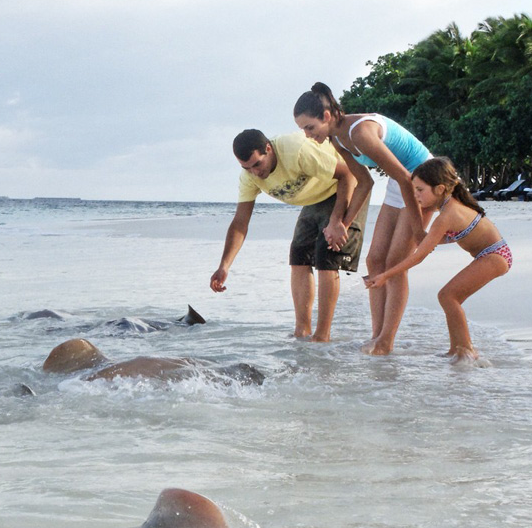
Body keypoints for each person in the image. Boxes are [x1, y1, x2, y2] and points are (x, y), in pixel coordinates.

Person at [293, 83, 432, 356]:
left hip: (424, 180)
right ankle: (377, 336)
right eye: (303, 130)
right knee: (374, 260)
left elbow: (407, 177)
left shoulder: (361, 132)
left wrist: (418, 230)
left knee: (395, 263)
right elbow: (364, 182)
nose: (308, 135)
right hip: (399, 183)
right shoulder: (337, 139)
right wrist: (342, 223)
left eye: (310, 128)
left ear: (327, 116)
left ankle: (386, 341)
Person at [210, 129, 363, 342]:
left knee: (326, 255)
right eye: (246, 168)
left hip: (345, 186)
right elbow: (239, 223)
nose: (254, 172)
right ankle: (302, 331)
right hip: (314, 197)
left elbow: (348, 174)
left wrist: (337, 221)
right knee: (298, 255)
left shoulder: (296, 150)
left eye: (257, 164)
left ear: (269, 149)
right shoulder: (249, 177)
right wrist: (224, 265)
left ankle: (322, 335)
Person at [364, 157, 511, 362]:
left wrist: (384, 276)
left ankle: (466, 350)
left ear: (440, 189)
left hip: (495, 256)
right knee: (448, 297)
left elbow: (418, 257)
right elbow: (432, 242)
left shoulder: (446, 215)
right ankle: (456, 349)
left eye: (420, 190)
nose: (415, 195)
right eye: (414, 189)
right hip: (491, 254)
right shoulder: (449, 207)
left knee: (448, 296)